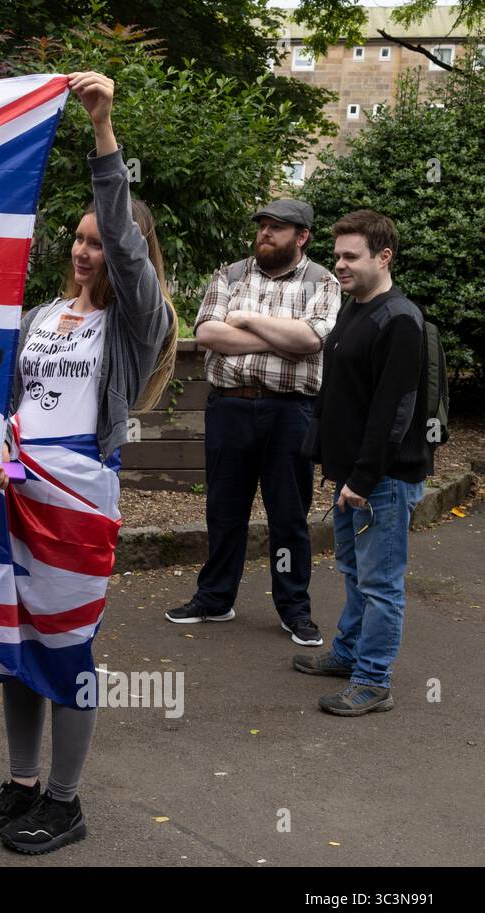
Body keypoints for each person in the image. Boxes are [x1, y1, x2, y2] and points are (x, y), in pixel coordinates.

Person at [0, 72, 176, 855]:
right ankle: (21, 787)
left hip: (78, 497)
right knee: (13, 645)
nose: (87, 250)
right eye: (77, 239)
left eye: (99, 241)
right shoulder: (41, 317)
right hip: (12, 492)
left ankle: (66, 800)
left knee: (65, 648)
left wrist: (103, 130)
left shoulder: (136, 322)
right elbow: (3, 404)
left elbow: (122, 235)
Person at [166, 201, 340, 646]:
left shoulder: (323, 281)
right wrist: (279, 336)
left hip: (291, 412)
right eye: (263, 226)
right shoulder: (231, 273)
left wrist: (242, 320)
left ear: (302, 236)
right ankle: (215, 598)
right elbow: (207, 333)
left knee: (288, 517)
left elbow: (310, 339)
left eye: (277, 228)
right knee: (224, 510)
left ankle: (294, 610)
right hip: (230, 407)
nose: (265, 234)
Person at [292, 210, 431, 716]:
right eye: (337, 256)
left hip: (382, 482)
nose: (340, 265)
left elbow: (395, 410)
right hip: (352, 476)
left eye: (351, 256)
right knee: (354, 572)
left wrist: (365, 479)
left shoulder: (400, 320)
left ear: (383, 256)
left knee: (381, 583)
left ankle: (374, 680)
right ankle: (349, 654)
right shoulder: (356, 309)